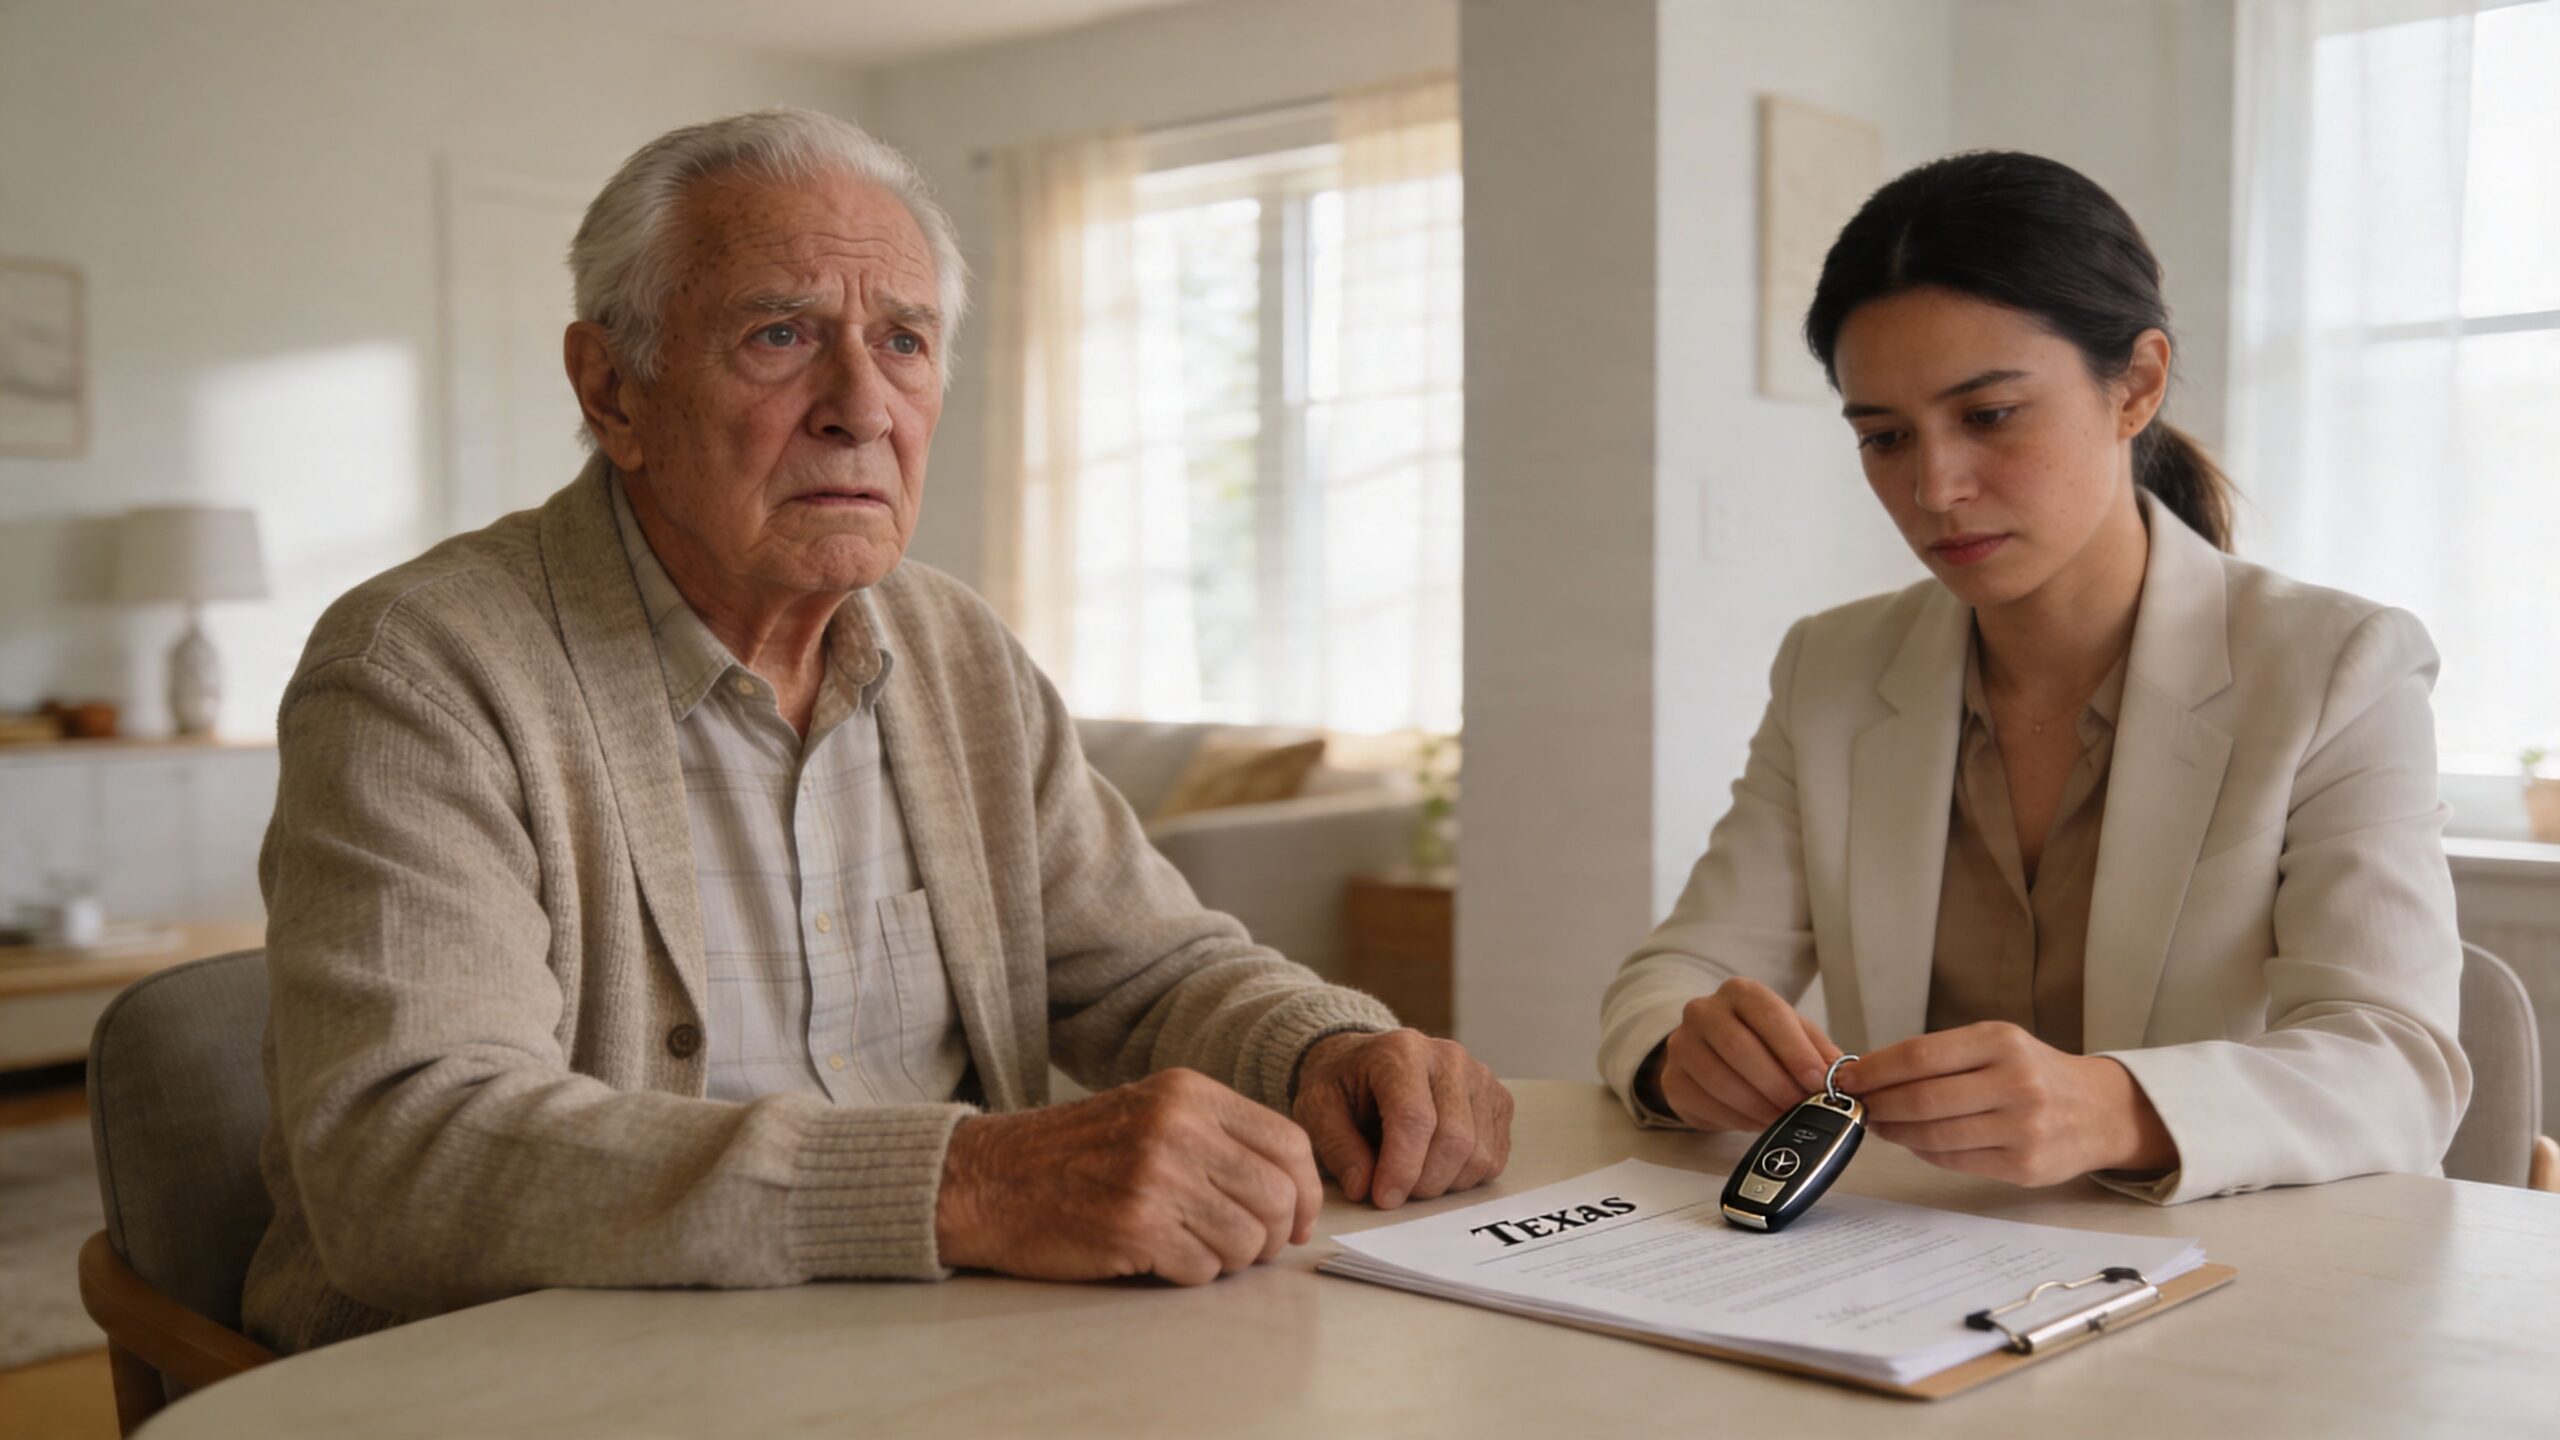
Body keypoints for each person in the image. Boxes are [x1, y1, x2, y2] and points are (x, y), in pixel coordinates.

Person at [245, 108, 1510, 1355]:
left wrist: (1325, 1046)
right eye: (780, 335)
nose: (860, 406)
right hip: (540, 1370)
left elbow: (1146, 969)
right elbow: (404, 1155)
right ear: (611, 387)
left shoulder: (952, 647)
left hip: (941, 1350)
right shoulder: (423, 666)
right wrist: (971, 1181)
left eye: (902, 341)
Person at [1598, 151, 2467, 1204]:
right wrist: (1680, 1054)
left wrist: (2109, 1107)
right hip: (1899, 1280)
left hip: (2229, 1278)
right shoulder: (1829, 670)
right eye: (1882, 437)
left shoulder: (2336, 665)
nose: (1934, 486)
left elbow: (2394, 1067)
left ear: (2135, 384)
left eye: (1990, 415)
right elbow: (1672, 976)